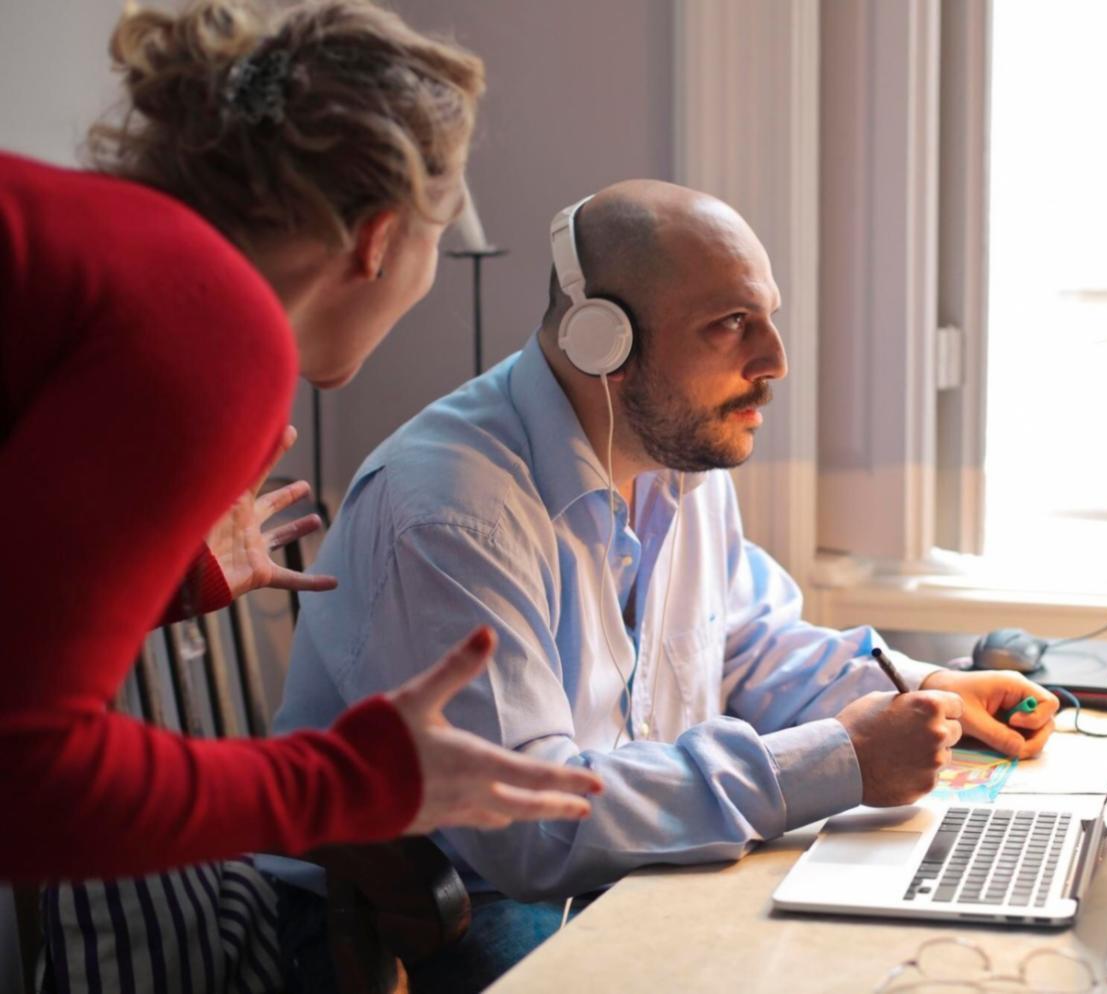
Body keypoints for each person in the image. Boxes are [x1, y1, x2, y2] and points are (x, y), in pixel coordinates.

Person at [275, 179, 1059, 988]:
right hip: (442, 909)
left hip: (611, 868)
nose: (775, 362)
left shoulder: (678, 461)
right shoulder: (449, 513)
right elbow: (528, 828)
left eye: (768, 319)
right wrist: (841, 759)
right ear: (601, 340)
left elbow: (748, 645)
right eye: (730, 325)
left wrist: (925, 690)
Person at [0, 0, 600, 885]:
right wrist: (356, 780)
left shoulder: (106, 249)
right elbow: (29, 792)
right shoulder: (210, 322)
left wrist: (163, 587)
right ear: (380, 239)